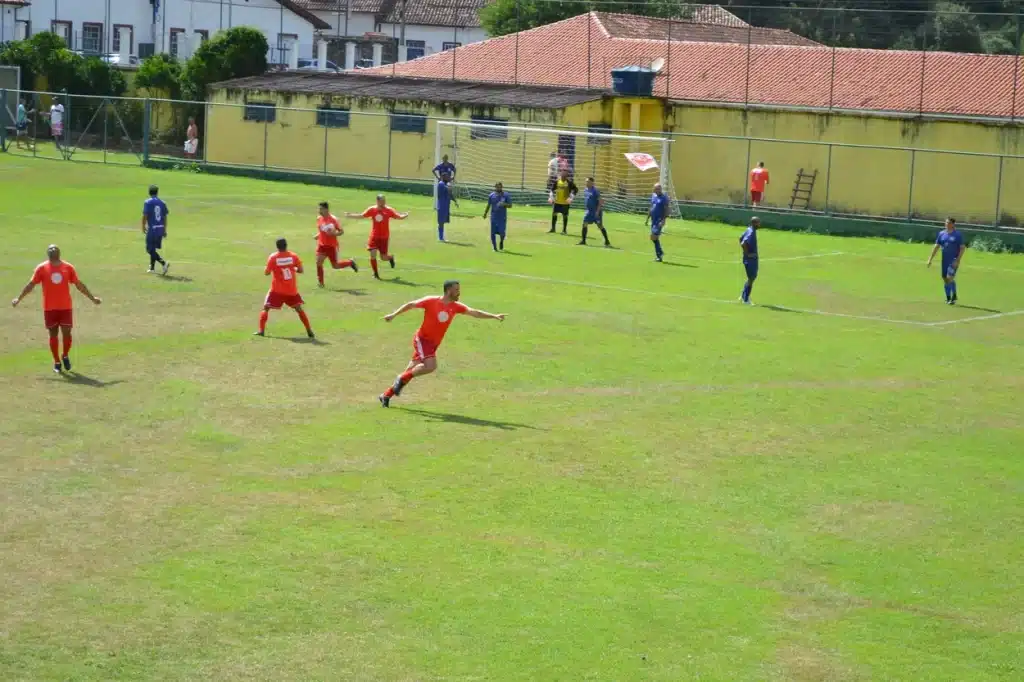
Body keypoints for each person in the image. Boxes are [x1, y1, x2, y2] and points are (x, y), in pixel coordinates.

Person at [378, 280, 506, 407]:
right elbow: (411, 304)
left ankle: (386, 395)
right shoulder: (431, 301)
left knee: (411, 371)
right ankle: (400, 378)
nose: (459, 293)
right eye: (456, 290)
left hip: (433, 344)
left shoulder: (456, 307)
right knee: (430, 366)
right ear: (449, 290)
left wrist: (494, 316)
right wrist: (393, 315)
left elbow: (474, 312)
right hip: (423, 340)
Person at [11, 244, 101, 374]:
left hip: (65, 307)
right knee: (53, 335)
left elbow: (78, 284)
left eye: (55, 250)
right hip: (50, 308)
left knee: (67, 333)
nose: (53, 251)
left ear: (59, 253)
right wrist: (19, 298)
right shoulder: (42, 268)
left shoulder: (68, 267)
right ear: (48, 254)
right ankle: (57, 362)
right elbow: (31, 285)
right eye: (51, 250)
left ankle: (65, 355)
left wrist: (92, 298)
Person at [255, 238, 314, 338]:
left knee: (266, 308)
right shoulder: (293, 256)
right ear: (286, 245)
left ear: (277, 247)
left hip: (277, 290)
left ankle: (261, 331)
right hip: (291, 290)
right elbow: (300, 270)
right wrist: (292, 268)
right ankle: (309, 330)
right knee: (299, 309)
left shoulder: (273, 257)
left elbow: (267, 273)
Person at [346, 194, 408, 280]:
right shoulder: (372, 209)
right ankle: (375, 274)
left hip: (384, 237)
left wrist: (404, 215)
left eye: (384, 200)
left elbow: (398, 216)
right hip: (374, 237)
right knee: (373, 255)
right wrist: (350, 215)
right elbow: (362, 215)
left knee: (383, 257)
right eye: (382, 201)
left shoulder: (389, 210)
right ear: (378, 201)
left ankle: (390, 258)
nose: (384, 202)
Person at [314, 201, 358, 288]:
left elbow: (341, 231)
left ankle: (350, 262)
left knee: (335, 266)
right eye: (319, 209)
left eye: (321, 209)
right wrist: (317, 236)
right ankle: (321, 283)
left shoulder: (333, 219)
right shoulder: (319, 218)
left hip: (332, 246)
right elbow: (322, 230)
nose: (319, 210)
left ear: (326, 209)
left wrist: (334, 234)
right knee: (318, 262)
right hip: (322, 245)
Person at [928, 217, 966, 305]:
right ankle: (954, 295)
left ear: (953, 224)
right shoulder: (941, 234)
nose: (946, 224)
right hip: (945, 260)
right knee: (945, 279)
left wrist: (958, 260)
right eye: (945, 223)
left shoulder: (957, 235)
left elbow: (962, 248)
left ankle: (949, 298)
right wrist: (930, 259)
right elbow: (936, 246)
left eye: (948, 223)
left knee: (949, 278)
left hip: (953, 261)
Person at [142, 185, 170, 275]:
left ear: (149, 192)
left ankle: (163, 263)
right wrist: (164, 230)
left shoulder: (148, 202)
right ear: (157, 192)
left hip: (153, 229)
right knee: (153, 249)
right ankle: (152, 268)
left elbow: (145, 215)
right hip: (160, 228)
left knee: (149, 249)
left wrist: (143, 226)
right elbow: (165, 217)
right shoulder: (162, 203)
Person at [578, 177, 611, 247]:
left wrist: (597, 211)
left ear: (592, 183)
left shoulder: (595, 191)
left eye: (588, 182)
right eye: (586, 181)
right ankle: (583, 241)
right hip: (588, 212)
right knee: (584, 224)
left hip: (596, 212)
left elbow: (601, 201)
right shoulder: (585, 190)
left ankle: (607, 241)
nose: (586, 183)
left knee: (600, 226)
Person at [483, 181, 512, 251]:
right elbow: (488, 205)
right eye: (497, 187)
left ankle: (501, 241)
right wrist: (485, 213)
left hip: (502, 217)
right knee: (493, 232)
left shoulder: (506, 195)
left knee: (502, 232)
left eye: (500, 187)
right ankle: (494, 247)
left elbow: (510, 205)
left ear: (502, 187)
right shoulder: (491, 195)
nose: (499, 188)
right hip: (494, 217)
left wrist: (504, 204)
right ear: (495, 187)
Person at [739, 217, 761, 304]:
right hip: (751, 259)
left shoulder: (749, 229)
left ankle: (743, 295)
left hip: (750, 259)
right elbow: (743, 243)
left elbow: (740, 238)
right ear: (755, 223)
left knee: (751, 278)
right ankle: (746, 299)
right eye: (758, 223)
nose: (760, 224)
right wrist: (748, 254)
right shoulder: (751, 232)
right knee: (751, 278)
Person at [548, 169, 578, 234]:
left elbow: (576, 189)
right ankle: (553, 229)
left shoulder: (569, 182)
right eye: (562, 173)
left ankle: (564, 230)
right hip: (557, 202)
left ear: (567, 175)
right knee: (554, 214)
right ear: (560, 173)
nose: (563, 174)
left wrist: (571, 197)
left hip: (565, 203)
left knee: (565, 216)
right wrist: (551, 197)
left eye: (565, 173)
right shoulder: (557, 181)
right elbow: (552, 190)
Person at [646, 183, 670, 262]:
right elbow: (651, 207)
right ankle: (660, 254)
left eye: (659, 188)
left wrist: (664, 220)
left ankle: (659, 255)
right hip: (653, 220)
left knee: (653, 236)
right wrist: (647, 219)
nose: (657, 190)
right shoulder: (653, 196)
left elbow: (667, 209)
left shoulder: (664, 198)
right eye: (656, 188)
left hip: (659, 220)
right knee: (653, 237)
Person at [435, 172, 459, 242]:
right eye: (447, 177)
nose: (449, 178)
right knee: (441, 222)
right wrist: (450, 184)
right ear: (443, 177)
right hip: (442, 206)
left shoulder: (445, 184)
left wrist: (455, 201)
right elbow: (448, 190)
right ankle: (440, 237)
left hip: (446, 206)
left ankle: (442, 237)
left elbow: (450, 194)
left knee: (443, 222)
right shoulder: (441, 184)